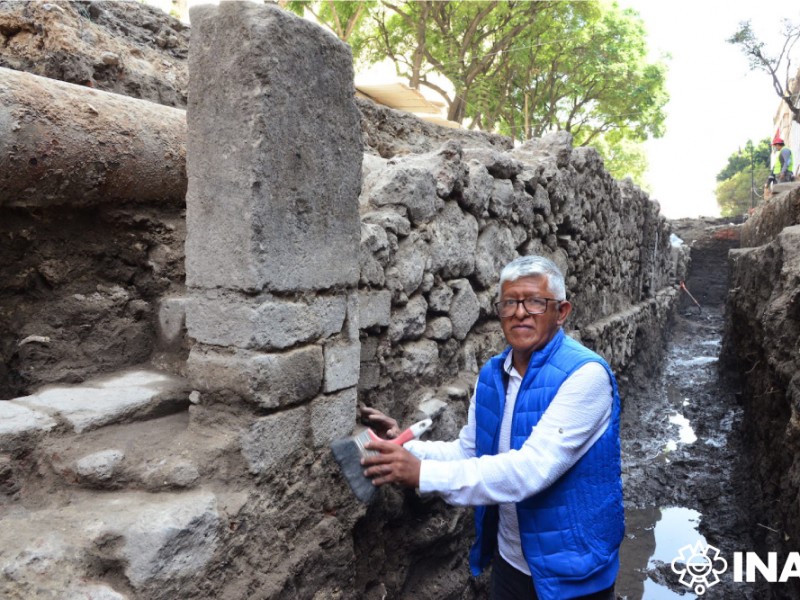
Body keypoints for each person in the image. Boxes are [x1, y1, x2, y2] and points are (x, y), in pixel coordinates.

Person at [361, 255, 623, 600]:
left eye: (535, 302)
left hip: (572, 570)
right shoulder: (492, 375)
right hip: (511, 562)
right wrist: (404, 448)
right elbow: (468, 451)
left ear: (561, 312)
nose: (519, 312)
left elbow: (531, 469)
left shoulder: (586, 376)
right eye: (510, 302)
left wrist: (422, 474)